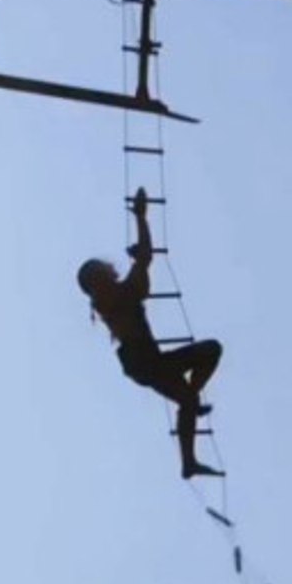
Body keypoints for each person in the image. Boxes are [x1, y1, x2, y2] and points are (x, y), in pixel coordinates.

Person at [78, 186, 224, 479]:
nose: (110, 271)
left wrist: (141, 224)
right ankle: (190, 429)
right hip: (143, 362)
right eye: (103, 272)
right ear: (97, 282)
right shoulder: (107, 300)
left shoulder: (119, 294)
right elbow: (144, 259)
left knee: (198, 377)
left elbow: (144, 261)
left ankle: (188, 461)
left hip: (148, 362)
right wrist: (141, 218)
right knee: (205, 360)